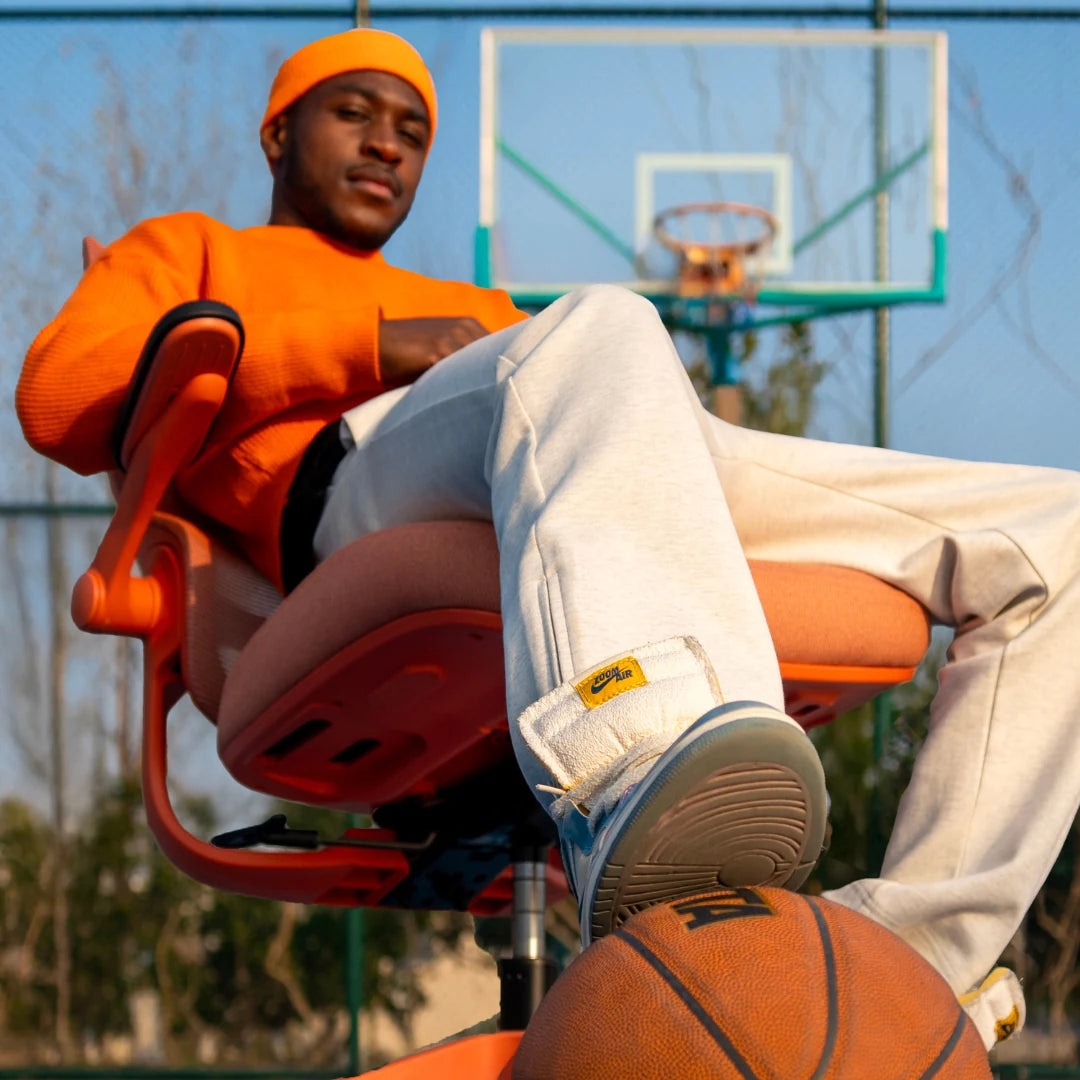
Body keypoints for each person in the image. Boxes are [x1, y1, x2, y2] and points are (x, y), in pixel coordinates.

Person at [16, 28, 1080, 1053]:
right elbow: (59, 396)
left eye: (413, 131)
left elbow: (585, 396)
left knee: (1055, 534)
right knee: (600, 327)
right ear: (276, 136)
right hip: (351, 491)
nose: (389, 143)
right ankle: (632, 769)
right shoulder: (201, 251)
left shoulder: (489, 311)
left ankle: (916, 960)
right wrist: (378, 343)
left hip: (573, 438)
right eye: (354, 113)